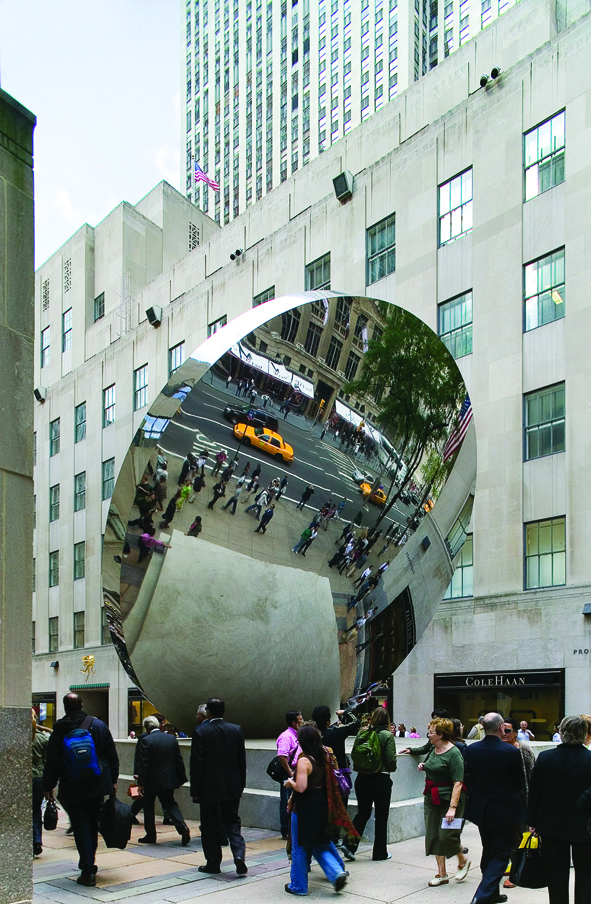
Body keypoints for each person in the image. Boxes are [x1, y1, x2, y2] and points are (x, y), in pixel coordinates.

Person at [43, 693, 119, 887]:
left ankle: (87, 868)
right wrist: (113, 780)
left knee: (81, 825)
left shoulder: (59, 729)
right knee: (92, 824)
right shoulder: (98, 726)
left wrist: (48, 786)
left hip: (72, 785)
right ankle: (89, 862)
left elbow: (52, 762)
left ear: (64, 707)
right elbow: (112, 755)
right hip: (97, 784)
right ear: (82, 705)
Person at [284, 724, 357, 895]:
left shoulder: (304, 761)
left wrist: (290, 783)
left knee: (300, 847)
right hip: (323, 804)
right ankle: (337, 872)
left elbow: (301, 787)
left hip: (304, 808)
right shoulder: (325, 755)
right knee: (320, 842)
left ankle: (298, 885)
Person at [463, 712, 526, 904]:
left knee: (489, 849)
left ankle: (491, 893)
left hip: (482, 809)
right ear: (501, 728)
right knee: (500, 854)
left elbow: (469, 778)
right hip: (504, 809)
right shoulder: (511, 752)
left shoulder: (472, 750)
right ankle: (482, 896)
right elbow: (519, 783)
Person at [528, 715, 591, 904]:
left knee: (556, 876)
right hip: (584, 826)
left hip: (551, 825)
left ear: (561, 733)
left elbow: (535, 792)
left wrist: (532, 822)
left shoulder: (546, 757)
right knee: (586, 875)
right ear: (584, 734)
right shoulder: (589, 759)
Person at [190, 697, 248, 877]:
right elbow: (241, 761)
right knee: (232, 822)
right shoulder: (236, 730)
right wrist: (241, 785)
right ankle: (238, 854)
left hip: (208, 789)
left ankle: (213, 863)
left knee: (209, 826)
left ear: (208, 712)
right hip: (232, 787)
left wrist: (195, 791)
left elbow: (197, 764)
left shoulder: (201, 732)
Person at [417, 718, 470, 886]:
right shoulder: (434, 749)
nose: (429, 735)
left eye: (431, 732)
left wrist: (452, 808)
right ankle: (442, 874)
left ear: (440, 734)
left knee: (447, 836)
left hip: (452, 800)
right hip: (432, 798)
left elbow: (458, 783)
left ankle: (462, 860)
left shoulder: (454, 754)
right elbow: (435, 766)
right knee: (433, 835)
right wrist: (424, 766)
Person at [342, 707, 397, 862]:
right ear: (386, 720)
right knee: (381, 816)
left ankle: (349, 844)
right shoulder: (387, 735)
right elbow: (391, 760)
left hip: (362, 778)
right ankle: (379, 853)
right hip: (381, 780)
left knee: (362, 813)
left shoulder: (362, 733)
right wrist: (389, 769)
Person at [136, 715, 190, 846]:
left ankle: (151, 835)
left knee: (148, 807)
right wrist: (182, 777)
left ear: (147, 728)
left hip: (151, 780)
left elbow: (144, 764)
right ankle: (182, 827)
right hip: (168, 778)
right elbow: (178, 760)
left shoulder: (146, 740)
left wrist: (140, 783)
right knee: (170, 804)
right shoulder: (171, 739)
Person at [500, 716, 536, 889]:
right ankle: (510, 865)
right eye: (501, 730)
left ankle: (515, 873)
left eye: (507, 730)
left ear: (515, 732)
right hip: (500, 802)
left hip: (521, 801)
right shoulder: (496, 749)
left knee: (519, 838)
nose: (504, 733)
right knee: (504, 837)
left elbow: (533, 777)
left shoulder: (524, 750)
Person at [277, 710, 304, 840]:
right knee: (286, 800)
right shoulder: (286, 736)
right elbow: (282, 756)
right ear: (293, 722)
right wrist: (290, 773)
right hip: (289, 773)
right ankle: (285, 830)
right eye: (300, 719)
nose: (302, 720)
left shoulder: (299, 735)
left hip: (297, 771)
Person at [311, 706, 358, 770]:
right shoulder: (337, 732)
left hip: (318, 772)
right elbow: (356, 722)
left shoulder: (309, 734)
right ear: (328, 722)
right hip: (339, 771)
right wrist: (345, 712)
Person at [32, 709, 49, 855]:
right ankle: (37, 839)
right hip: (38, 778)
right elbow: (47, 762)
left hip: (23, 779)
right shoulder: (42, 738)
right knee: (36, 809)